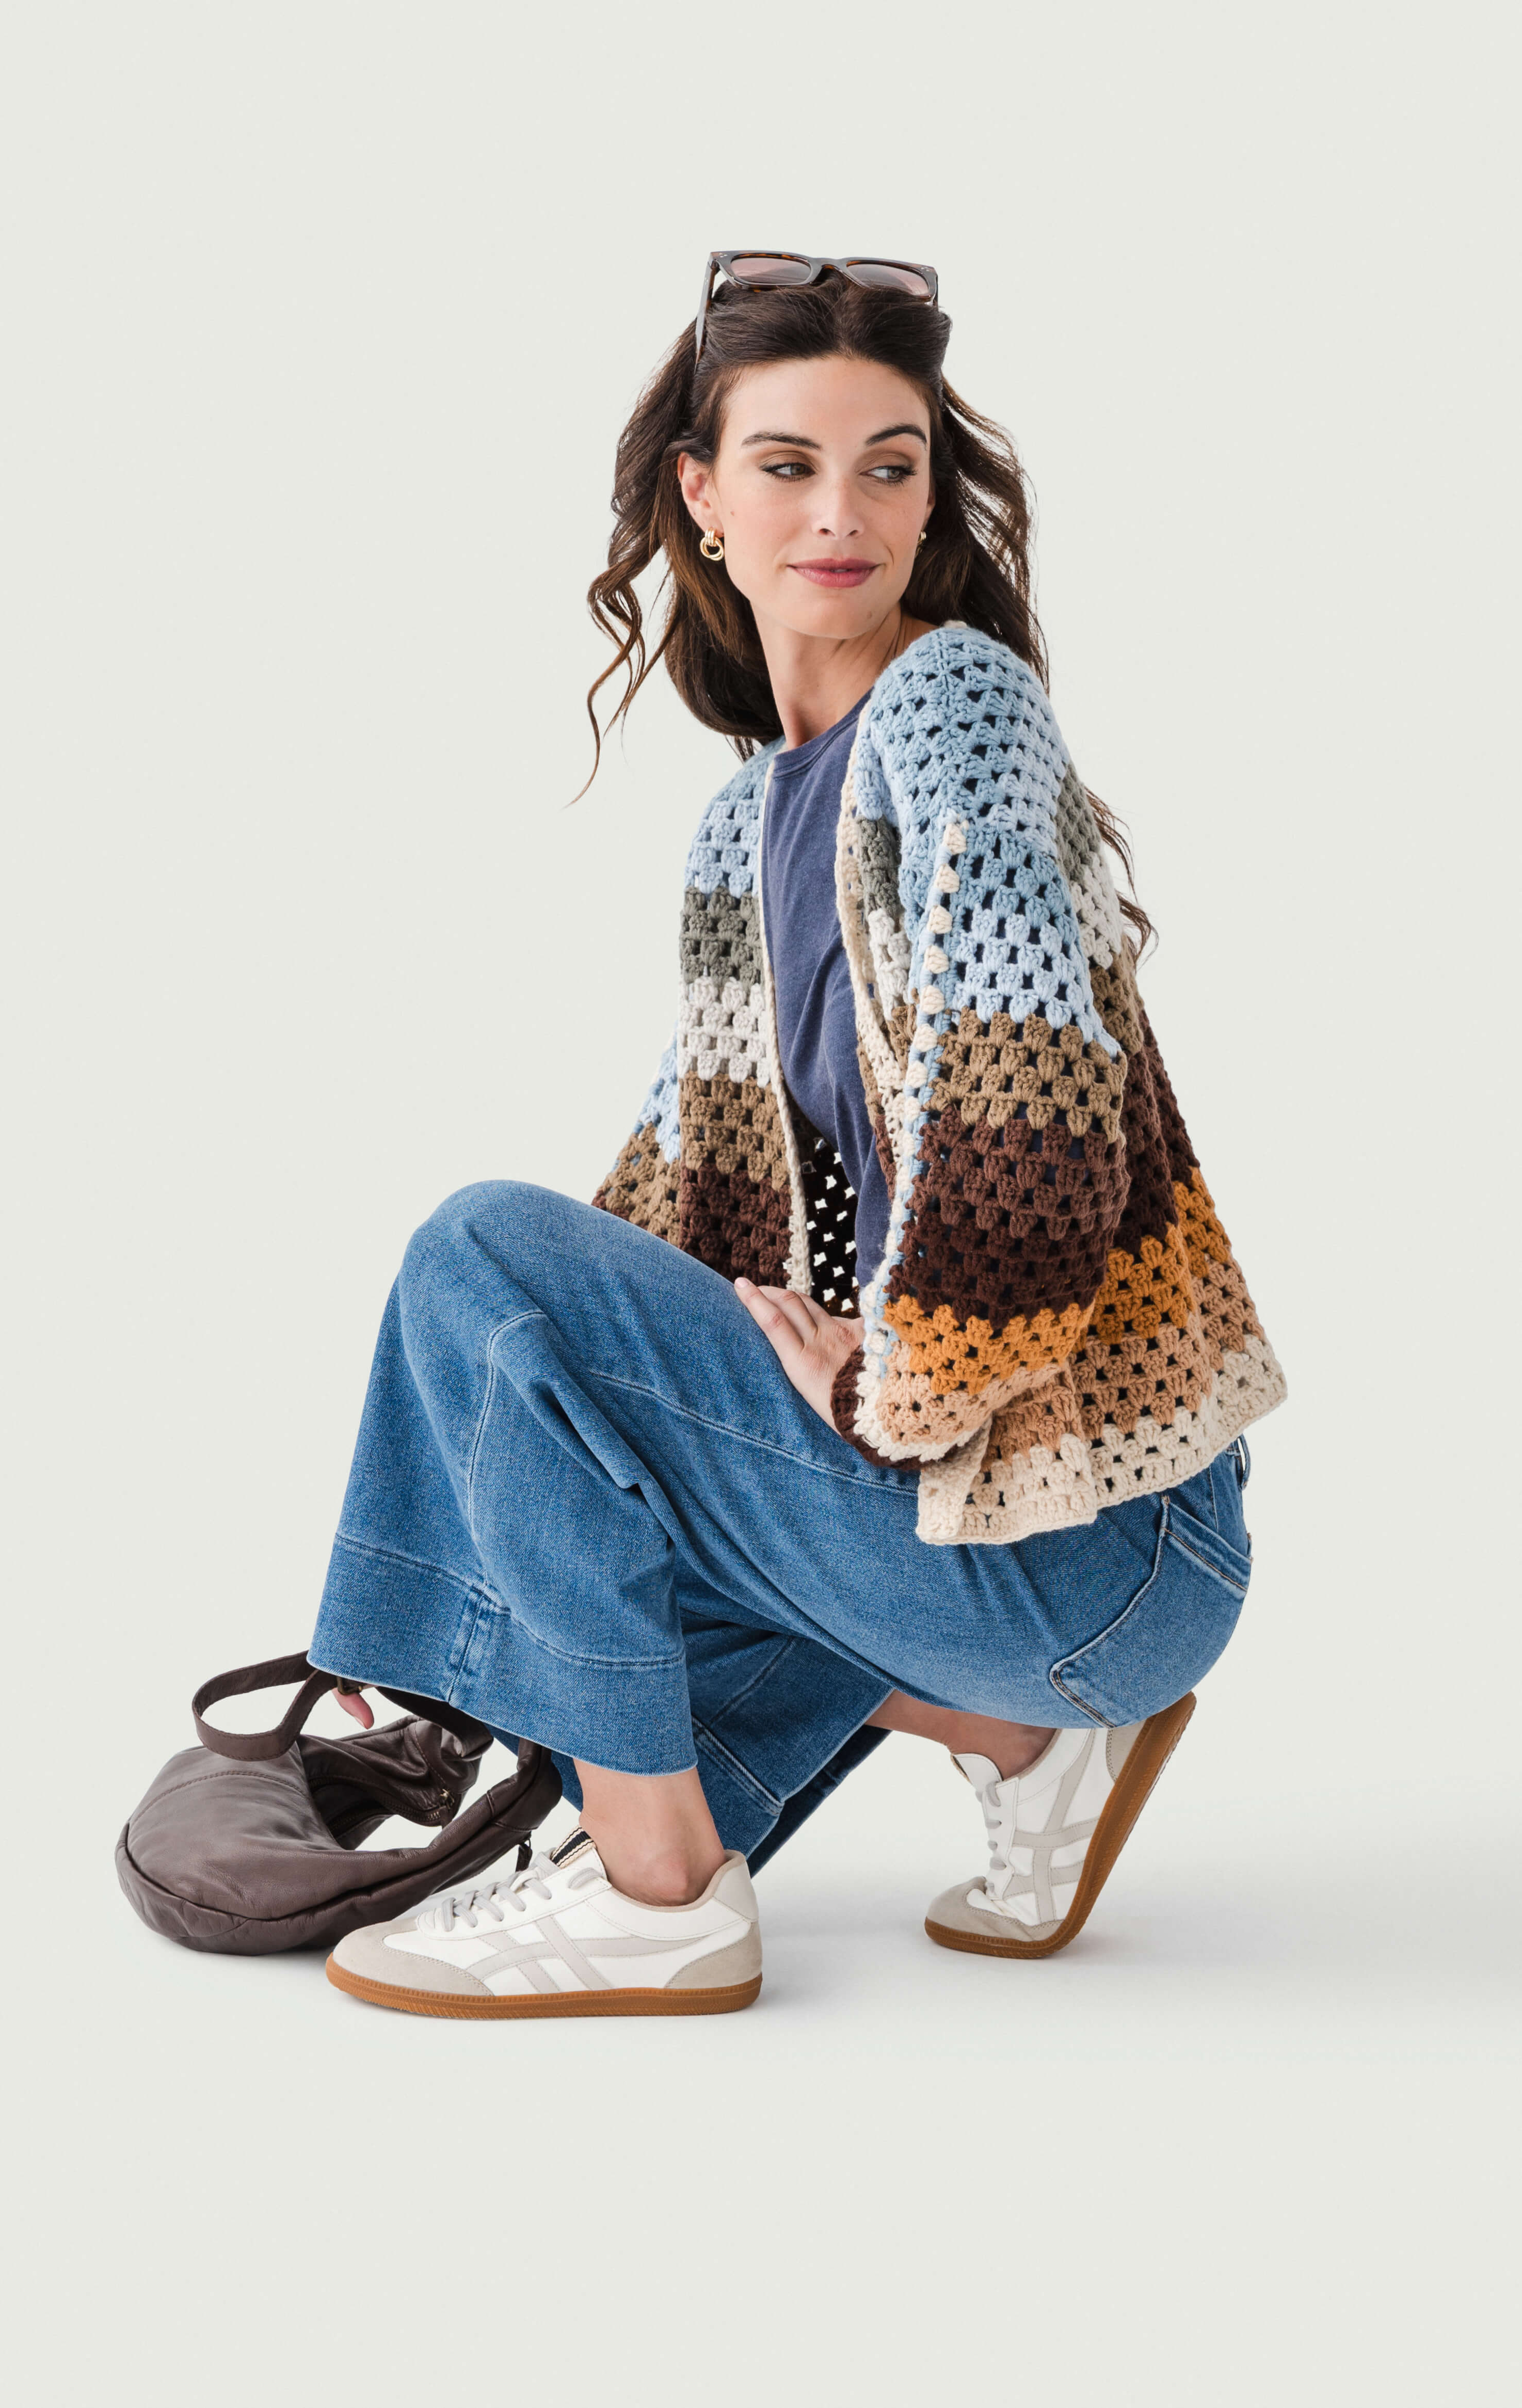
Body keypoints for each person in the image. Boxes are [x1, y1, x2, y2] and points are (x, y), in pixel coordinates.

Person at [314, 253, 1286, 2020]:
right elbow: (664, 1224)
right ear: (702, 494)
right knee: (585, 1595)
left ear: (927, 500)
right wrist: (484, 1522)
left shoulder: (959, 709)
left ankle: (658, 1898)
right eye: (787, 464)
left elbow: (1035, 1139)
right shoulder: (743, 825)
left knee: (475, 1254)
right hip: (961, 1535)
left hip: (1097, 1529)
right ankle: (1016, 1741)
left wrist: (879, 1387)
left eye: (888, 467)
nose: (842, 511)